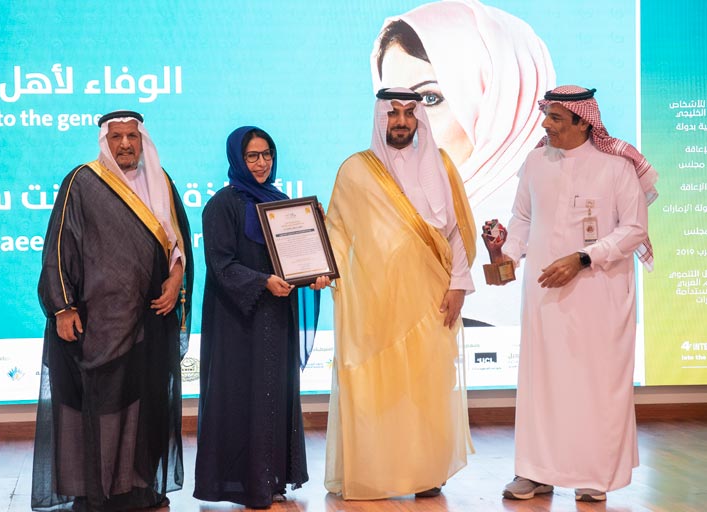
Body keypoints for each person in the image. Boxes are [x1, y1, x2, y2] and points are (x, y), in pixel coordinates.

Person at [489, 86, 658, 502]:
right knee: (542, 382)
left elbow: (634, 229)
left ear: (584, 122)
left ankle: (594, 474)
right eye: (546, 115)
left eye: (556, 118)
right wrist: (504, 252)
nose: (545, 125)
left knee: (596, 383)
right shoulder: (535, 163)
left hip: (600, 295)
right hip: (545, 294)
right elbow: (523, 218)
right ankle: (534, 472)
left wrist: (584, 258)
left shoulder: (616, 166)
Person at [32, 110, 194, 512]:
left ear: (142, 141)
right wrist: (62, 307)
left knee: (147, 405)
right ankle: (97, 491)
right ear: (105, 141)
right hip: (99, 323)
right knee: (104, 409)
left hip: (152, 319)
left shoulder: (161, 181)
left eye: (132, 137)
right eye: (117, 137)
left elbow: (177, 244)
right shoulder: (82, 182)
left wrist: (176, 280)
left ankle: (137, 487)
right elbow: (58, 248)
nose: (125, 144)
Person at [324, 88, 477, 500]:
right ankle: (377, 473)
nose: (402, 121)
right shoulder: (356, 170)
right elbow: (336, 231)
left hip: (431, 298)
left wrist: (459, 284)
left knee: (426, 387)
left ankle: (426, 473)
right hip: (374, 300)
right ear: (380, 118)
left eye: (410, 113)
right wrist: (321, 269)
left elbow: (457, 232)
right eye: (393, 114)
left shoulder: (442, 165)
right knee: (378, 388)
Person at [372, 0, 556, 325]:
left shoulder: (543, 201)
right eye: (393, 104)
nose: (405, 122)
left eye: (430, 99)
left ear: (499, 100)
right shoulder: (398, 206)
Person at [193, 126, 329, 509]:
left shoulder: (283, 204)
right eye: (252, 156)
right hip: (238, 322)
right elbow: (221, 264)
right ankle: (240, 484)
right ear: (237, 159)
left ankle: (272, 479)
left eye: (267, 154)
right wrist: (262, 281)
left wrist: (314, 274)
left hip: (276, 319)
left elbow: (297, 261)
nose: (261, 163)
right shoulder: (221, 205)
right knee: (241, 398)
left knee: (274, 394)